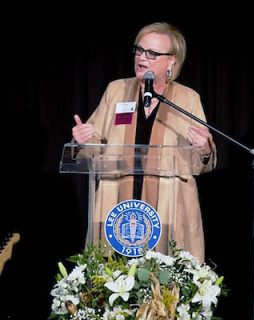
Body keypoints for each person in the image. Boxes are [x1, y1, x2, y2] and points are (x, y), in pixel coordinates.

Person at [72, 22, 215, 262]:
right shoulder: (116, 91)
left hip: (168, 207)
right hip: (119, 205)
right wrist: (84, 141)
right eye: (139, 50)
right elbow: (95, 145)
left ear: (172, 61)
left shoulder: (187, 98)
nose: (142, 58)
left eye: (152, 53)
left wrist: (205, 150)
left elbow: (201, 161)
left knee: (165, 290)